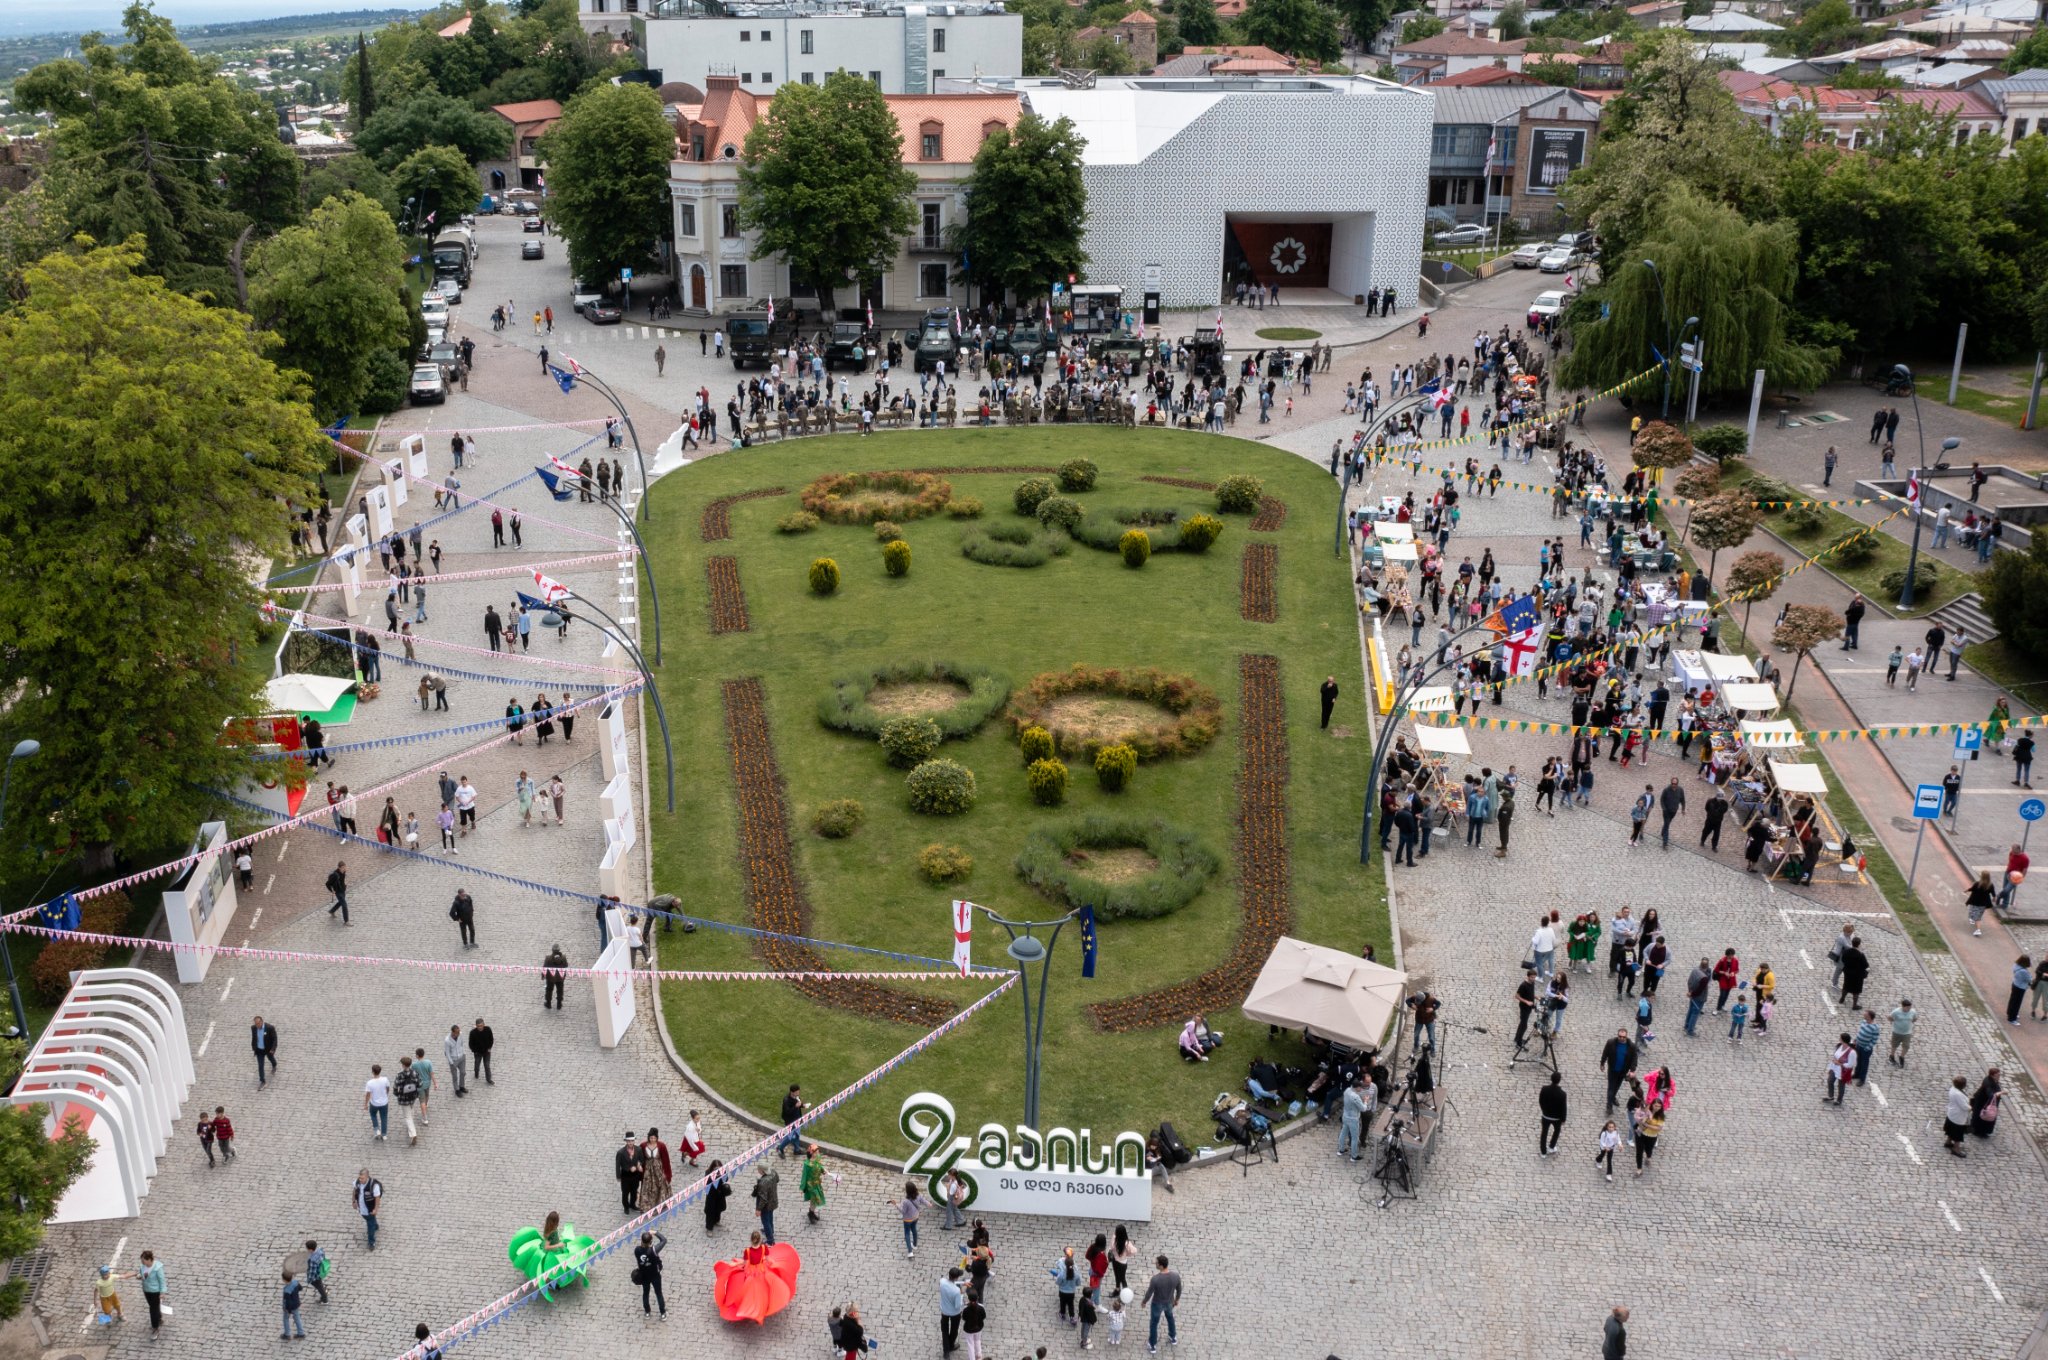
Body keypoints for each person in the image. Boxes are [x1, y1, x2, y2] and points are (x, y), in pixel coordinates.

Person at [1141, 1255, 1181, 1352]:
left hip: (1157, 1304)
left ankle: (1152, 1344)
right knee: (1170, 1318)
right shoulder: (1176, 1276)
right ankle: (1173, 1336)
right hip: (1169, 1302)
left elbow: (1149, 1293)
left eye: (1157, 1263)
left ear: (1161, 1266)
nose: (1155, 1264)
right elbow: (1179, 1289)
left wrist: (1144, 1301)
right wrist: (1176, 1299)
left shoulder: (1155, 1279)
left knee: (1154, 1323)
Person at [633, 1230, 668, 1318]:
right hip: (655, 1275)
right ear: (651, 1241)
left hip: (644, 1275)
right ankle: (663, 1313)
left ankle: (647, 1312)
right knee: (658, 1293)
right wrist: (655, 1232)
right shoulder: (654, 1250)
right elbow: (664, 1240)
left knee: (645, 1293)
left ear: (641, 1240)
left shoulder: (637, 1250)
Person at [1538, 1069, 1567, 1157]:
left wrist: (1544, 1110)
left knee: (1544, 1133)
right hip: (1556, 1118)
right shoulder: (1562, 1094)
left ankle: (1543, 1152)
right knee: (1556, 1131)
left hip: (1546, 1116)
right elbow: (1563, 1108)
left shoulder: (1544, 1089)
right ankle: (1551, 1146)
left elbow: (1541, 1101)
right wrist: (1563, 1119)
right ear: (1559, 1080)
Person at [353, 1168, 382, 1250]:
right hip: (362, 1208)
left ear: (367, 1177)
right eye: (359, 1178)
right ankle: (375, 1225)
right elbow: (354, 1191)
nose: (360, 1180)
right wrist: (354, 1201)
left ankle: (371, 1242)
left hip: (370, 1209)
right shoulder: (357, 1183)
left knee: (370, 1226)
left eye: (362, 1178)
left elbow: (377, 1198)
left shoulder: (374, 1186)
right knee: (369, 1220)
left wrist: (376, 1209)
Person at [616, 1132, 645, 1214]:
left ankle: (632, 1204)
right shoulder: (621, 1152)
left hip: (635, 1176)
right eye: (628, 1141)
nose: (630, 1143)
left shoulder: (638, 1149)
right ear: (626, 1141)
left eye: (632, 1141)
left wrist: (638, 1165)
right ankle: (626, 1206)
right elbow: (618, 1165)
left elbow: (642, 1160)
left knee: (634, 1191)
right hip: (625, 1176)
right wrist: (619, 1176)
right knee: (625, 1192)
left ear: (634, 1141)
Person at [1971, 1067, 2003, 1138]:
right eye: (1998, 1075)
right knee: (1982, 1116)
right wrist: (2001, 1093)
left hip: (1987, 1102)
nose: (1999, 1076)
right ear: (1993, 1075)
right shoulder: (1988, 1082)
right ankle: (1978, 1131)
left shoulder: (1993, 1080)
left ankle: (1983, 1131)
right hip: (1982, 1102)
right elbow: (1991, 1095)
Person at [752, 1164, 780, 1244]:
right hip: (773, 1200)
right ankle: (771, 1230)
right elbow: (777, 1180)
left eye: (758, 1169)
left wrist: (758, 1209)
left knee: (765, 1221)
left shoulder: (763, 1182)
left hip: (766, 1205)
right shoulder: (774, 1172)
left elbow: (763, 1199)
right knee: (770, 1216)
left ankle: (770, 1240)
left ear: (762, 1171)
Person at [800, 1143, 828, 1224]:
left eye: (818, 1152)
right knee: (814, 1199)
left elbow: (819, 1166)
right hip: (811, 1186)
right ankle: (810, 1214)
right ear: (811, 1153)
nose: (818, 1154)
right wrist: (803, 1187)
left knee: (815, 1200)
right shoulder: (807, 1164)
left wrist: (823, 1170)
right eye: (816, 1153)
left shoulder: (817, 1159)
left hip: (817, 1184)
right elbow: (804, 1175)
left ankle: (811, 1212)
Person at [1826, 1033, 1855, 1105]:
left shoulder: (1851, 1052)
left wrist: (1840, 1064)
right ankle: (1831, 1096)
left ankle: (1839, 1100)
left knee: (1841, 1085)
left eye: (1840, 1038)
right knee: (1830, 1081)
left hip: (1843, 1071)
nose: (1839, 1039)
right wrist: (1830, 1068)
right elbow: (1835, 1057)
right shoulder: (1839, 1046)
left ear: (1843, 1040)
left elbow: (1850, 1064)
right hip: (1835, 1068)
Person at [363, 1064, 390, 1141]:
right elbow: (388, 1088)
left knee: (373, 1115)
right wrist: (386, 1095)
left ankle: (377, 1130)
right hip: (384, 1103)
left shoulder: (370, 1083)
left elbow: (368, 1094)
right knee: (384, 1117)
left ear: (372, 1072)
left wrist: (365, 1104)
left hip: (374, 1103)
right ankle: (384, 1134)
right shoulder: (385, 1079)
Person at [898, 1180, 924, 1258]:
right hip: (915, 1217)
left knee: (907, 1234)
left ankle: (910, 1252)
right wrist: (928, 1204)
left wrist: (896, 1205)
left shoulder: (906, 1201)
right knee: (914, 1229)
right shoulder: (918, 1196)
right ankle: (915, 1245)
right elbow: (923, 1200)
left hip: (907, 1220)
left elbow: (903, 1211)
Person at [251, 1015, 278, 1088]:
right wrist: (253, 1047)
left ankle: (274, 1065)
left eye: (258, 1023)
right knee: (260, 1066)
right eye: (256, 1024)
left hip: (268, 1049)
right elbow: (254, 1038)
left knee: (270, 1058)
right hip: (259, 1050)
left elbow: (275, 1039)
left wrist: (273, 1049)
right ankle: (262, 1081)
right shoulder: (253, 1028)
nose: (257, 1025)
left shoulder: (269, 1028)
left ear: (262, 1021)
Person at [704, 1160, 732, 1231]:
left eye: (718, 1168)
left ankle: (716, 1220)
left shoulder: (723, 1172)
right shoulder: (708, 1172)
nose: (717, 1170)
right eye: (715, 1168)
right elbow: (707, 1183)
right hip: (711, 1194)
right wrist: (714, 1177)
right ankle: (709, 1228)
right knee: (710, 1211)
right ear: (712, 1168)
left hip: (720, 1193)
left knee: (719, 1208)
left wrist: (721, 1176)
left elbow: (726, 1179)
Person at [1967, 870, 1996, 936]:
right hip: (1984, 903)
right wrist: (1994, 898)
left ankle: (1978, 930)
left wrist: (1966, 890)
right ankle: (1973, 919)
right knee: (1979, 914)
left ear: (1981, 876)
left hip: (1975, 902)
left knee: (1975, 915)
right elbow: (1993, 893)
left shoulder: (1977, 884)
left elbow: (1972, 889)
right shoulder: (1990, 885)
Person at [280, 1269, 306, 1340]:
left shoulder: (286, 1290)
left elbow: (288, 1302)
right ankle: (301, 1333)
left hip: (288, 1308)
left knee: (285, 1319)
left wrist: (288, 1310)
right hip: (296, 1304)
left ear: (284, 1280)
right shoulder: (295, 1282)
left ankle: (287, 1334)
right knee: (297, 1318)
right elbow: (300, 1288)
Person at [2010, 955, 2034, 1025]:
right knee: (2017, 1003)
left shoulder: (2016, 965)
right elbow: (2029, 979)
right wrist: (2030, 976)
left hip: (2015, 984)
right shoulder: (2024, 971)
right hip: (2020, 988)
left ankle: (2010, 1013)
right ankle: (2012, 1018)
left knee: (2012, 1001)